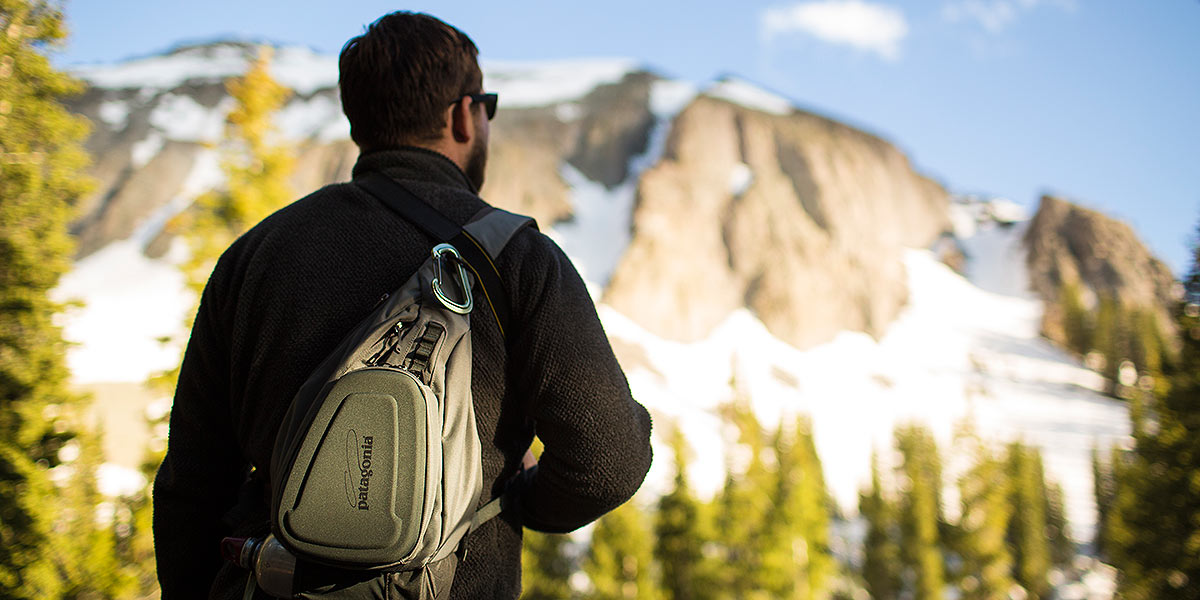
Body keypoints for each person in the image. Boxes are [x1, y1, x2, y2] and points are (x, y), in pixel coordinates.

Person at [152, 11, 653, 599]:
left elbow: (191, 486)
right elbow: (610, 459)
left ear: (360, 120)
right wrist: (515, 502)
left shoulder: (253, 257)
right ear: (462, 115)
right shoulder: (514, 257)